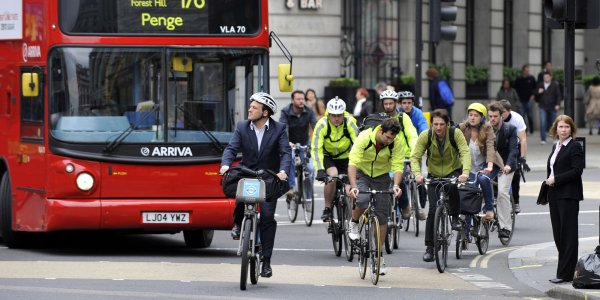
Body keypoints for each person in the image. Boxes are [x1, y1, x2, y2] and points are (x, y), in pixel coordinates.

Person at [219, 92, 291, 278]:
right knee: (239, 194)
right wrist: (225, 165)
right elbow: (231, 149)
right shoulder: (243, 126)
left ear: (265, 112)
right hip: (248, 173)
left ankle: (266, 261)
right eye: (250, 106)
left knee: (267, 217)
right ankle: (238, 223)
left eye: (254, 107)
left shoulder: (279, 128)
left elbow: (285, 153)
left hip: (268, 177)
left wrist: (283, 172)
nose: (249, 109)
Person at [410, 109, 470, 262]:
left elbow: (465, 152)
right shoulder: (426, 136)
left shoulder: (455, 133)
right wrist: (417, 174)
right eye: (435, 124)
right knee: (432, 210)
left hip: (453, 171)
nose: (438, 127)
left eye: (441, 124)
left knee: (452, 186)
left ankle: (455, 217)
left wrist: (465, 173)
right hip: (434, 174)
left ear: (447, 124)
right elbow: (415, 157)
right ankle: (430, 248)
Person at [347, 118, 404, 276]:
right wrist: (353, 186)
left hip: (382, 176)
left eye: (392, 138)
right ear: (381, 131)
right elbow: (353, 162)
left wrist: (396, 185)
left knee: (382, 216)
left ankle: (378, 256)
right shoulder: (365, 137)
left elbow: (398, 165)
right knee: (363, 200)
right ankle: (354, 222)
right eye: (387, 137)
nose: (389, 141)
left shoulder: (395, 142)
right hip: (362, 174)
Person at [545, 115, 584, 284]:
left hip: (568, 195)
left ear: (571, 129)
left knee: (568, 235)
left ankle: (565, 274)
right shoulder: (556, 147)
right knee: (558, 235)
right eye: (560, 127)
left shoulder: (575, 147)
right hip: (554, 194)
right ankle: (566, 271)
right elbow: (553, 168)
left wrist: (556, 179)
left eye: (567, 127)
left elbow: (577, 171)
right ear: (556, 129)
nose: (563, 130)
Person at [312, 97, 359, 221]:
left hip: (347, 156)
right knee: (333, 176)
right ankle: (327, 208)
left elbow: (359, 145)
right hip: (329, 157)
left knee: (351, 180)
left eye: (339, 115)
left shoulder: (350, 122)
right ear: (329, 114)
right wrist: (320, 169)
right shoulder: (322, 124)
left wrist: (360, 164)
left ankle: (351, 210)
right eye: (333, 115)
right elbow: (316, 148)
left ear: (343, 114)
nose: (336, 119)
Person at [457, 103, 504, 220]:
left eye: (476, 115)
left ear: (482, 117)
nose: (472, 118)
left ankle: (489, 208)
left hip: (489, 164)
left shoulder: (487, 128)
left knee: (483, 178)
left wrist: (489, 166)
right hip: (470, 166)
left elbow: (490, 148)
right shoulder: (463, 128)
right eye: (470, 115)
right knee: (468, 194)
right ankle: (466, 235)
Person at [378, 90, 419, 220]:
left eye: (391, 103)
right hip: (384, 157)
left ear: (396, 104)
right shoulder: (378, 117)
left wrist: (413, 155)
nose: (388, 106)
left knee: (399, 178)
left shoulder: (403, 118)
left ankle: (405, 205)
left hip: (403, 156)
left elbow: (412, 136)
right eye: (386, 104)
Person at [487, 102, 519, 238]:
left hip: (506, 165)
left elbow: (513, 150)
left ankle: (505, 227)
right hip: (489, 164)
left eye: (495, 116)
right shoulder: (485, 128)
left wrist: (509, 165)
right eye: (490, 116)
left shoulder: (510, 129)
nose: (492, 119)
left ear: (501, 116)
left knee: (502, 192)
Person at [279, 90, 317, 201]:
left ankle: (308, 196)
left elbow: (316, 126)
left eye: (302, 99)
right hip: (290, 144)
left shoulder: (309, 111)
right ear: (292, 100)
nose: (301, 101)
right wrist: (287, 142)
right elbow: (283, 127)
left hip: (304, 143)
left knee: (310, 169)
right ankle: (291, 188)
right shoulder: (285, 112)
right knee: (289, 159)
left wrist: (317, 140)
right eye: (298, 99)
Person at [397, 90, 429, 219]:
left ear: (413, 103)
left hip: (416, 149)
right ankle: (401, 207)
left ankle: (420, 205)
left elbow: (424, 128)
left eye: (409, 103)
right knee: (400, 178)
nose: (406, 105)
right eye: (404, 103)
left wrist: (425, 145)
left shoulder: (418, 114)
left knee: (418, 176)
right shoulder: (397, 114)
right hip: (400, 152)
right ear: (399, 104)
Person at [499, 99, 529, 214]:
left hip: (514, 147)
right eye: (499, 112)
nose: (501, 115)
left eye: (504, 112)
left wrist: (523, 159)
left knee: (515, 174)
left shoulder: (517, 119)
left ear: (509, 111)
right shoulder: (495, 118)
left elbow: (523, 140)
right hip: (501, 147)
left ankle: (515, 202)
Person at [535, 72, 562, 144]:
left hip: (552, 106)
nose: (546, 78)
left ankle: (555, 138)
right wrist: (538, 92)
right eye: (544, 77)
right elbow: (535, 97)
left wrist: (558, 104)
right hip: (542, 106)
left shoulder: (555, 85)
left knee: (554, 123)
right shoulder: (540, 85)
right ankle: (543, 139)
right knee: (543, 122)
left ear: (550, 77)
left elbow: (558, 95)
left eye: (547, 77)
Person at [513, 64, 537, 133]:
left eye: (528, 70)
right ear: (523, 71)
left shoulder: (531, 78)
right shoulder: (519, 79)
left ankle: (531, 128)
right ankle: (524, 129)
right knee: (522, 116)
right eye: (526, 70)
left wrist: (533, 96)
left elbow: (535, 88)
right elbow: (515, 89)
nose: (527, 72)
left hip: (529, 100)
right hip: (521, 100)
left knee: (530, 115)